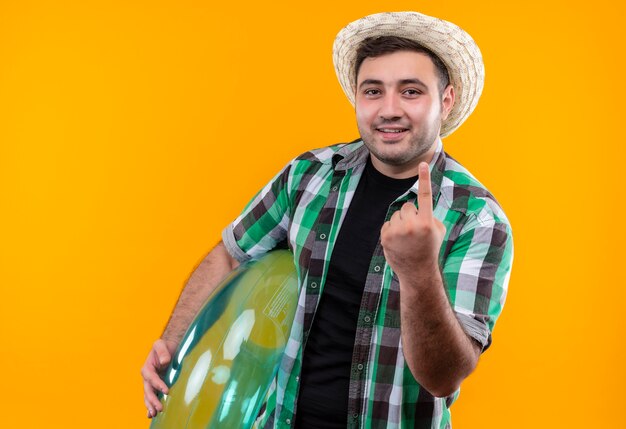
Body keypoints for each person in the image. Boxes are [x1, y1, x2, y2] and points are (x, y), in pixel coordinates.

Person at [141, 11, 513, 428]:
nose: (389, 109)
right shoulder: (308, 175)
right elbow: (231, 256)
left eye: (410, 92)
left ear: (445, 101)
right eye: (373, 91)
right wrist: (171, 343)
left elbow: (443, 378)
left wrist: (419, 271)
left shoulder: (477, 218)